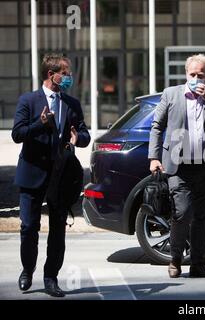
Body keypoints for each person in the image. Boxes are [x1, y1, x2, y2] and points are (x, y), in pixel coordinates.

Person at [148, 54, 205, 278]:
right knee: (181, 213)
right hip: (179, 167)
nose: (196, 79)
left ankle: (198, 263)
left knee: (202, 217)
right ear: (186, 74)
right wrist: (154, 158)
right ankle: (176, 259)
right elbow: (157, 126)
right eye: (192, 75)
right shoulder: (171, 94)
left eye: (201, 75)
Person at [12, 54, 90, 297]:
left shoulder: (72, 104)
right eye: (65, 73)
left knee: (58, 230)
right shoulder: (28, 100)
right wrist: (40, 123)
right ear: (51, 75)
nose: (68, 77)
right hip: (32, 173)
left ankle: (50, 278)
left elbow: (85, 134)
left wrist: (79, 139)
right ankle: (27, 270)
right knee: (28, 227)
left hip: (61, 176)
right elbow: (17, 134)